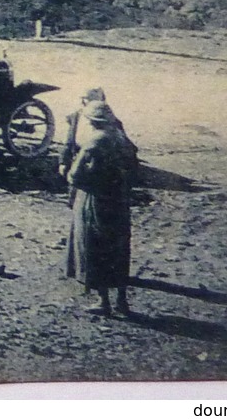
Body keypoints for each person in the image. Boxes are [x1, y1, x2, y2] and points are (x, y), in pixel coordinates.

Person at [65, 100, 139, 316]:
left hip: (94, 202)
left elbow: (75, 176)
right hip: (119, 202)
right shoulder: (123, 140)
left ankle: (103, 301)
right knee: (118, 250)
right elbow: (135, 171)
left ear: (92, 121)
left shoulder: (94, 143)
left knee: (95, 248)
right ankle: (122, 301)